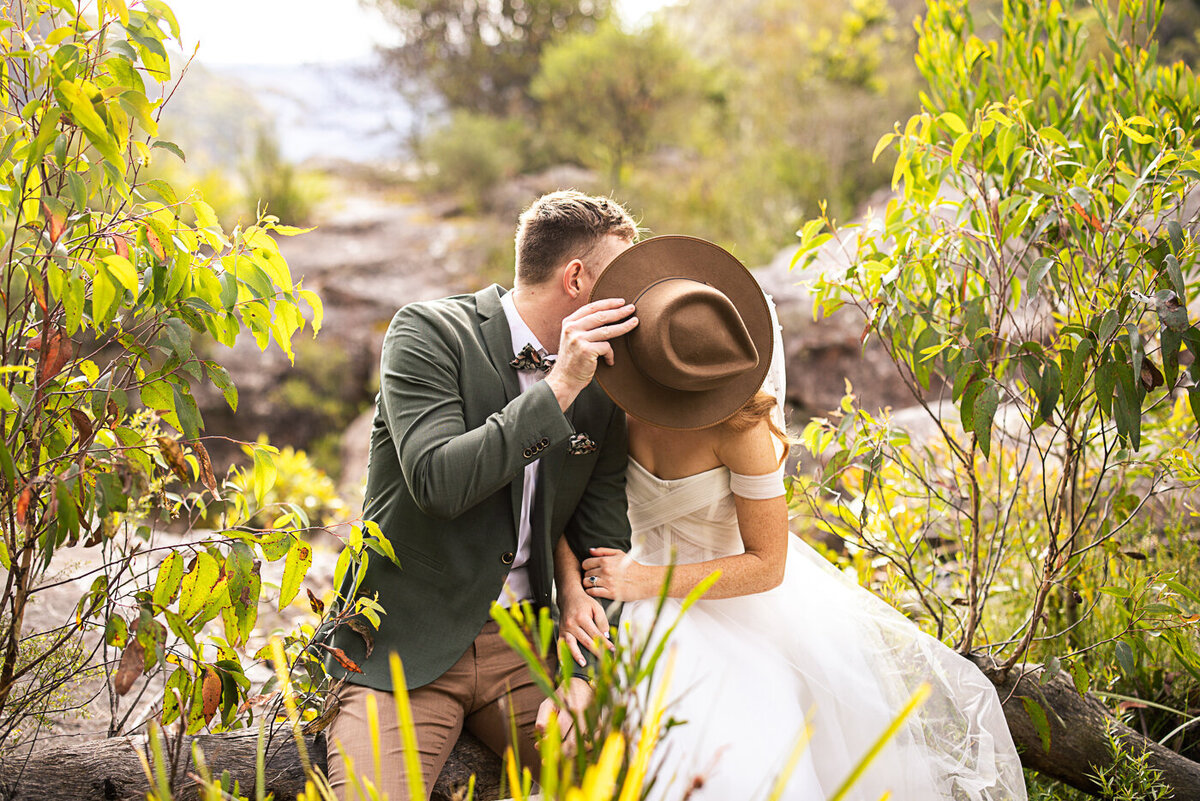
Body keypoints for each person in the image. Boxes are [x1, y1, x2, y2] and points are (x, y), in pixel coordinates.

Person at [567, 236, 1029, 800]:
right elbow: (563, 504)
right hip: (631, 596)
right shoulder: (612, 399)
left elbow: (768, 565)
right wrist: (579, 587)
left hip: (726, 602)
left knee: (734, 748)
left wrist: (644, 581)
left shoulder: (744, 429)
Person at [317, 191, 640, 799]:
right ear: (577, 278)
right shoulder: (428, 332)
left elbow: (604, 550)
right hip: (401, 645)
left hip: (525, 644)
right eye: (622, 280)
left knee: (626, 782)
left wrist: (585, 679)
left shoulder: (607, 388)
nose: (633, 301)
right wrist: (560, 385)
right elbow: (439, 482)